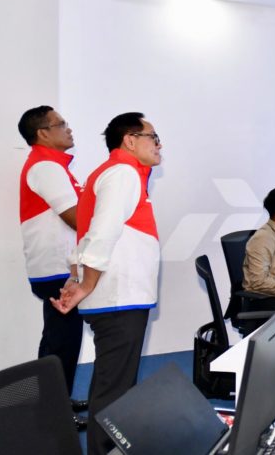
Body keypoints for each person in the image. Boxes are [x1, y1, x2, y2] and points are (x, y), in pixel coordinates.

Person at [51, 112, 162, 455]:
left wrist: (76, 277)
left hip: (118, 297)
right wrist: (85, 284)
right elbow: (101, 234)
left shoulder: (113, 173)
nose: (159, 145)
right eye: (153, 137)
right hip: (119, 298)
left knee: (111, 383)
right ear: (130, 140)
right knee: (115, 390)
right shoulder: (123, 173)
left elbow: (86, 234)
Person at [17, 105, 88, 429]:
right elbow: (75, 217)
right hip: (56, 268)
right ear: (43, 133)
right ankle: (53, 411)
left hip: (57, 265)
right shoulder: (46, 166)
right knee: (62, 340)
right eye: (61, 124)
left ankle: (54, 400)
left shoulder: (50, 164)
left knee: (58, 338)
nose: (68, 128)